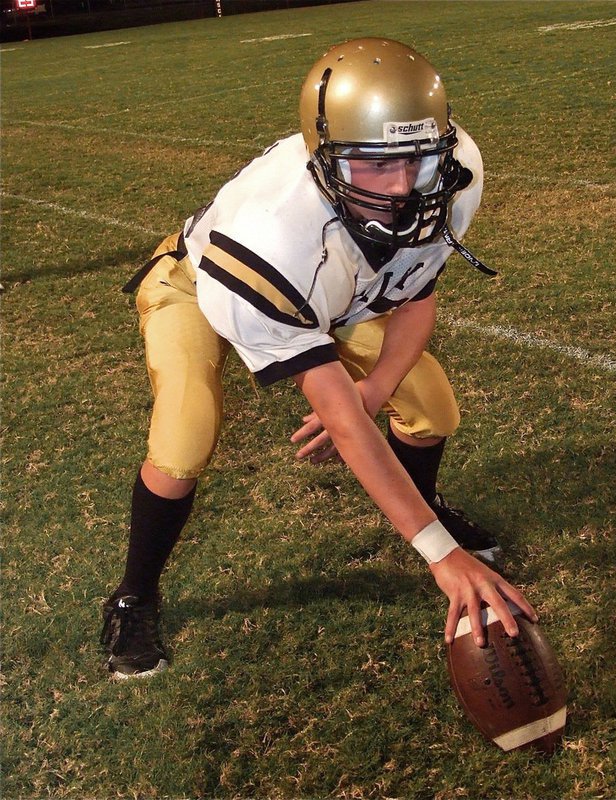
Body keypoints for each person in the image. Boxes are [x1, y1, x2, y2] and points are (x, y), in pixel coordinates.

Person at [100, 38, 538, 679]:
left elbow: (416, 296)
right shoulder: (272, 235)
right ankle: (134, 595)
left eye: (416, 160)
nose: (399, 188)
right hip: (201, 285)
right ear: (324, 159)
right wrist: (444, 555)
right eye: (370, 166)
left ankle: (420, 518)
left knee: (428, 402)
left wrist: (377, 387)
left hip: (329, 290)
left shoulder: (455, 172)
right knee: (184, 436)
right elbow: (338, 411)